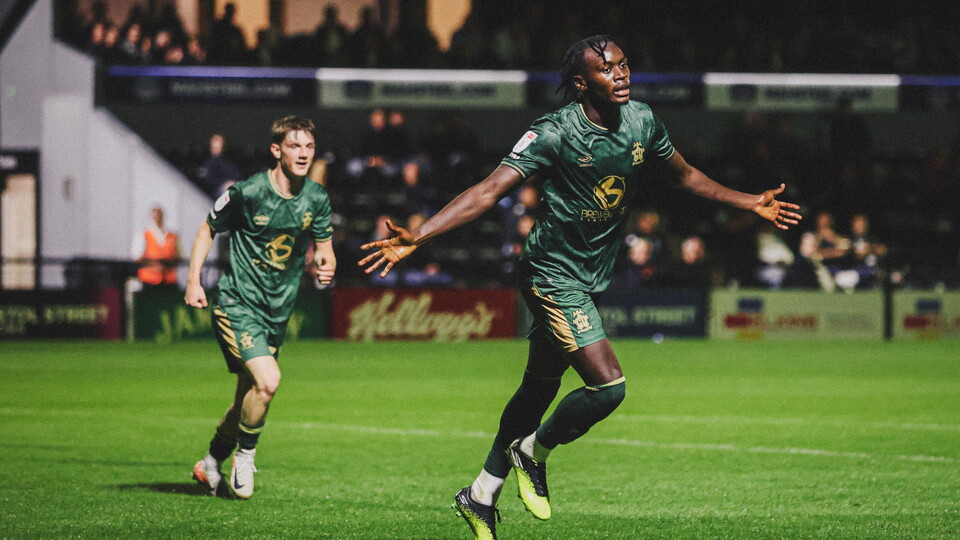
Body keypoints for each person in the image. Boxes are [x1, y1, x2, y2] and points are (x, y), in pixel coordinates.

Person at [358, 35, 802, 540]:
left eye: (624, 65)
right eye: (607, 68)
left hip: (590, 276)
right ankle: (532, 452)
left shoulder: (643, 121)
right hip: (551, 273)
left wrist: (750, 201)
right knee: (609, 387)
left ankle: (480, 494)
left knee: (538, 389)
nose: (621, 74)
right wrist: (420, 235)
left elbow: (686, 177)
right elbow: (488, 190)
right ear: (581, 82)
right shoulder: (553, 132)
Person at [184, 116, 336, 499]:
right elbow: (207, 228)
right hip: (238, 304)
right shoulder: (249, 192)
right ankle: (246, 456)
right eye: (294, 145)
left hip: (276, 314)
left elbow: (325, 249)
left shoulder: (316, 198)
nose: (303, 153)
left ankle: (210, 462)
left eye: (309, 147)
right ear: (276, 150)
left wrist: (326, 264)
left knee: (247, 400)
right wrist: (193, 280)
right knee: (268, 382)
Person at [132, 206, 180, 287]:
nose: (157, 218)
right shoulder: (144, 234)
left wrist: (166, 265)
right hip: (149, 279)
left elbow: (179, 256)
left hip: (168, 280)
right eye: (155, 216)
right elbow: (137, 257)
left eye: (159, 215)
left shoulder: (172, 236)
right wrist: (154, 265)